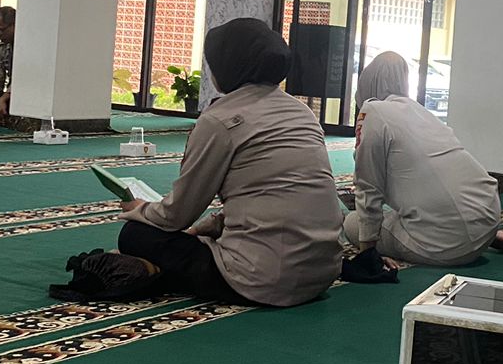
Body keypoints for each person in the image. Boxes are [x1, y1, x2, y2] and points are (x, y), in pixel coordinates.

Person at [68, 18, 342, 307]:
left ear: (227, 66)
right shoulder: (302, 112)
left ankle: (154, 273)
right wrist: (208, 227)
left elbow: (176, 215)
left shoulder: (220, 120)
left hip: (262, 281)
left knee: (136, 235)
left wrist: (140, 209)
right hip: (322, 274)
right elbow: (280, 195)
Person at [344, 51, 503, 266]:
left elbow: (368, 187)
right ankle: (490, 239)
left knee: (352, 223)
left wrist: (368, 257)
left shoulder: (371, 111)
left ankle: (459, 240)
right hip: (489, 220)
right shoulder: (420, 111)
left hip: (444, 245)